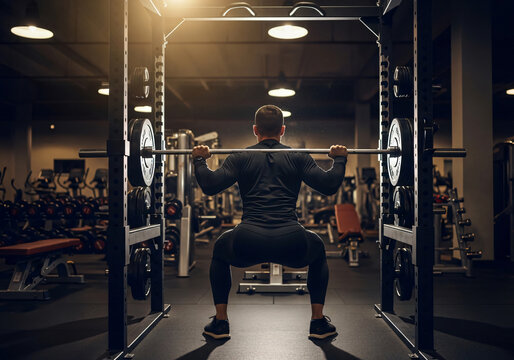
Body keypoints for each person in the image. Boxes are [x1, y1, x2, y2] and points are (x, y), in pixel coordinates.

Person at [192, 105, 348, 340]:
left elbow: (210, 185)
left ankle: (220, 323)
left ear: (255, 130)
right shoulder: (298, 157)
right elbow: (329, 185)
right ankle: (318, 323)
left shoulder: (240, 156)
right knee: (317, 247)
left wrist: (200, 161)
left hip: (247, 240)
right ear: (282, 130)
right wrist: (339, 160)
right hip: (291, 241)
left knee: (221, 248)